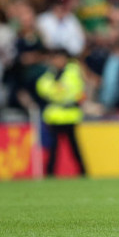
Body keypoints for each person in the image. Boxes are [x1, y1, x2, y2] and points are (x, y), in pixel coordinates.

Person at [36, 49, 87, 177]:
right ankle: (50, 173)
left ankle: (83, 172)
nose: (58, 61)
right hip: (54, 117)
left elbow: (68, 90)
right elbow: (42, 88)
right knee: (53, 149)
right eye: (55, 58)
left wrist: (55, 90)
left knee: (74, 148)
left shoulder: (72, 71)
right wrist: (57, 90)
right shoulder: (50, 74)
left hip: (69, 116)